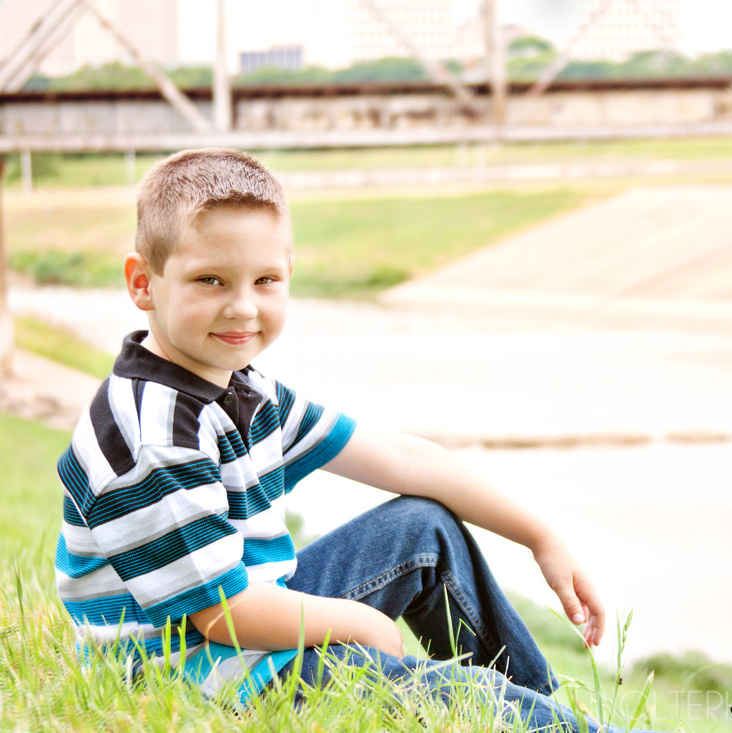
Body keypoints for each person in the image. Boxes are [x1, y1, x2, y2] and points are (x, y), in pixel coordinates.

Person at [53, 148, 618, 732]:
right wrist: (361, 623)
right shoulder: (154, 438)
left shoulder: (240, 388)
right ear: (143, 283)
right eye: (209, 279)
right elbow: (223, 617)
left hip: (245, 621)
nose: (242, 306)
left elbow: (403, 460)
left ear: (288, 276)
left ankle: (557, 715)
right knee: (459, 694)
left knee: (422, 527)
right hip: (191, 675)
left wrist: (540, 537)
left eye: (264, 280)